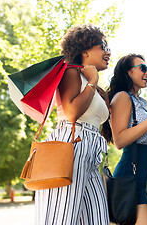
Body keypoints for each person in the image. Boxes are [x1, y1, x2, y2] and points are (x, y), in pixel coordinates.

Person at [35, 24, 111, 225]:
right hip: (71, 145)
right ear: (84, 50)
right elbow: (71, 113)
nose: (108, 51)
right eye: (102, 46)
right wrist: (92, 81)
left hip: (91, 151)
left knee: (97, 219)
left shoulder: (94, 86)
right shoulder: (71, 72)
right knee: (62, 217)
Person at [102, 54, 147, 225]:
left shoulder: (142, 101)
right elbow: (120, 140)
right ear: (128, 72)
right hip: (131, 176)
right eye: (142, 68)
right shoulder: (122, 97)